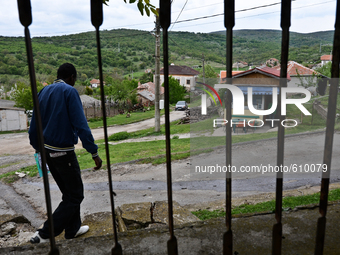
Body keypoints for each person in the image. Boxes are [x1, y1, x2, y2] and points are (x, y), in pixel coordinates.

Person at [28, 63, 102, 243]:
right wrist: (93, 152)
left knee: (68, 193)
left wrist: (38, 148)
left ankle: (73, 229)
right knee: (76, 195)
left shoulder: (43, 92)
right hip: (63, 152)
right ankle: (45, 233)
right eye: (75, 79)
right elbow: (81, 125)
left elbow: (33, 127)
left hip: (47, 151)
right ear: (71, 77)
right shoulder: (69, 92)